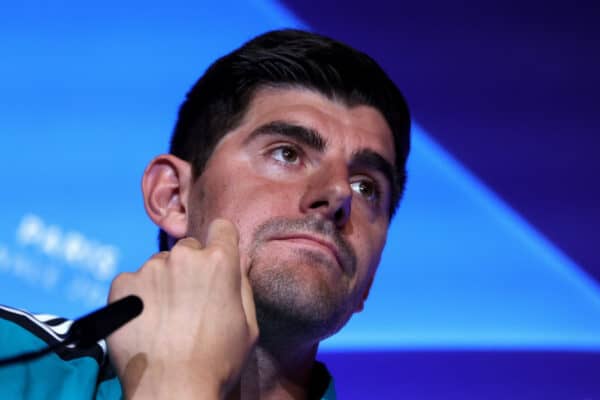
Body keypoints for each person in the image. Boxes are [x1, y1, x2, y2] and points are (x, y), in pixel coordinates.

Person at [0, 28, 410, 399]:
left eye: (366, 187)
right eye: (287, 154)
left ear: (371, 276)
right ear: (173, 196)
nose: (339, 193)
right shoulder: (14, 366)